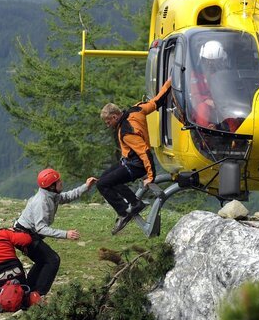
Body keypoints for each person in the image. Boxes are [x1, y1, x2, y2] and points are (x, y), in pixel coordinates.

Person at [98, 78, 172, 235]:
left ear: (115, 116)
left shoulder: (127, 131)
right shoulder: (136, 110)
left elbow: (144, 152)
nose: (107, 125)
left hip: (134, 166)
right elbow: (156, 101)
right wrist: (170, 82)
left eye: (107, 121)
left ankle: (124, 212)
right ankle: (134, 202)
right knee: (105, 178)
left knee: (102, 185)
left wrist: (151, 177)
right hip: (128, 161)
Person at [14, 168, 97, 296]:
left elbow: (67, 197)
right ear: (51, 186)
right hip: (25, 235)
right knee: (53, 260)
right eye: (58, 181)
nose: (61, 182)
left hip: (28, 233)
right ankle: (38, 295)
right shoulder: (41, 202)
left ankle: (28, 290)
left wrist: (86, 187)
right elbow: (41, 228)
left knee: (42, 260)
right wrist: (66, 234)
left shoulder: (51, 195)